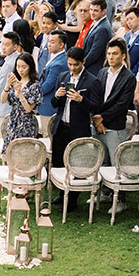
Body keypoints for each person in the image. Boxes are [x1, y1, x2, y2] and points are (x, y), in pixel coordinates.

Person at [50, 45, 100, 180]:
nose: (72, 68)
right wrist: (57, 96)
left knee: (77, 164)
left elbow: (96, 107)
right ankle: (61, 194)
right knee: (59, 162)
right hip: (61, 127)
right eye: (70, 64)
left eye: (75, 65)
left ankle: (73, 198)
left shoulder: (92, 81)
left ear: (83, 62)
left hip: (78, 129)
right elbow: (54, 104)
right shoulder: (63, 76)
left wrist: (81, 99)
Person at [90, 39, 136, 164]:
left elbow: (122, 104)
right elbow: (96, 97)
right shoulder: (102, 72)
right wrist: (97, 120)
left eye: (115, 54)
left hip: (115, 127)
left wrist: (102, 118)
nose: (111, 57)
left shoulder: (129, 77)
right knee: (99, 164)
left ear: (123, 56)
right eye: (109, 53)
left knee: (116, 165)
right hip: (97, 126)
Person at [4, 51, 41, 145]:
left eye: (24, 67)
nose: (20, 70)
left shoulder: (35, 85)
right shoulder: (16, 80)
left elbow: (28, 109)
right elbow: (3, 100)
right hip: (13, 120)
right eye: (18, 66)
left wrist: (20, 94)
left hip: (26, 123)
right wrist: (7, 85)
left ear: (30, 67)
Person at [38, 30, 70, 119]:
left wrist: (34, 92)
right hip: (46, 104)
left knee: (47, 132)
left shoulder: (58, 64)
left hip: (49, 106)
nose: (49, 44)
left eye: (52, 42)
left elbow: (48, 85)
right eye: (48, 41)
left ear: (61, 45)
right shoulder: (54, 57)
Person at [82, 0, 112, 71]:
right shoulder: (96, 22)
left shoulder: (103, 28)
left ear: (104, 11)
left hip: (94, 69)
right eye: (91, 10)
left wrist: (81, 64)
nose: (92, 13)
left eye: (95, 10)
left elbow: (95, 53)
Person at [120, 6, 139, 72]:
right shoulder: (127, 35)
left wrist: (132, 75)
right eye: (127, 20)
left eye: (131, 19)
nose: (129, 22)